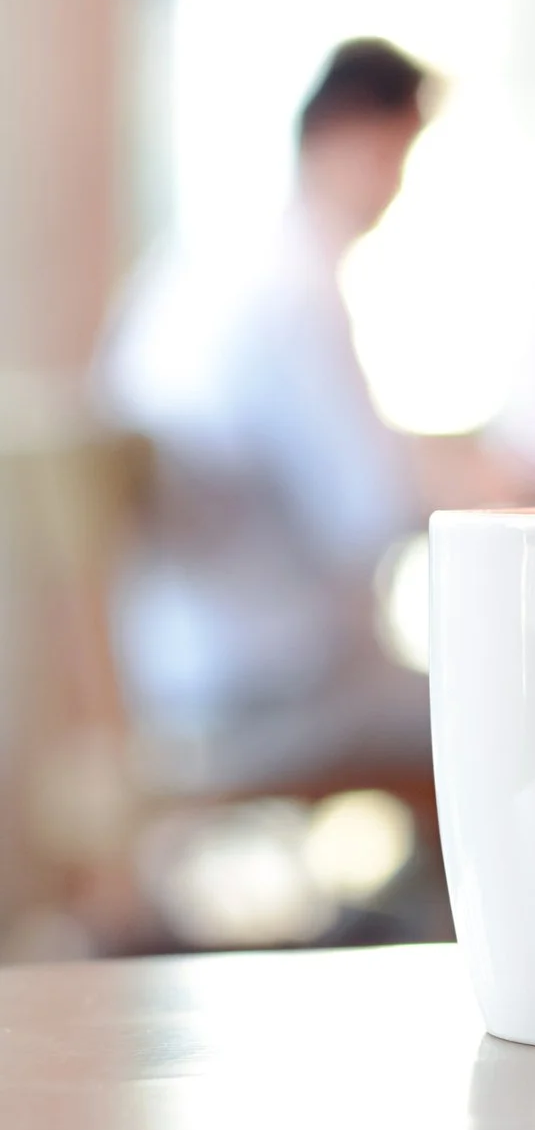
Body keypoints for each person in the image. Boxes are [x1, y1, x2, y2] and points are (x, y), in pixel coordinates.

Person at [101, 38, 437, 791]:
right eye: (399, 153)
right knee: (504, 718)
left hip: (173, 669)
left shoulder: (197, 259)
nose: (398, 186)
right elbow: (371, 513)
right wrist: (480, 483)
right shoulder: (297, 288)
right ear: (350, 133)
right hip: (275, 691)